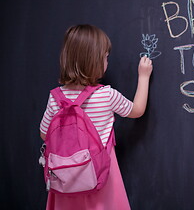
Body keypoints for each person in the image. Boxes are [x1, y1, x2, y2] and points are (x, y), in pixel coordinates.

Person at [39, 24, 153, 209]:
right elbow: (137, 110)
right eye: (105, 57)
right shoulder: (106, 95)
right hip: (99, 175)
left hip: (65, 177)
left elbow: (45, 134)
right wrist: (143, 76)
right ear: (94, 60)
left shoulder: (55, 97)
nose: (107, 62)